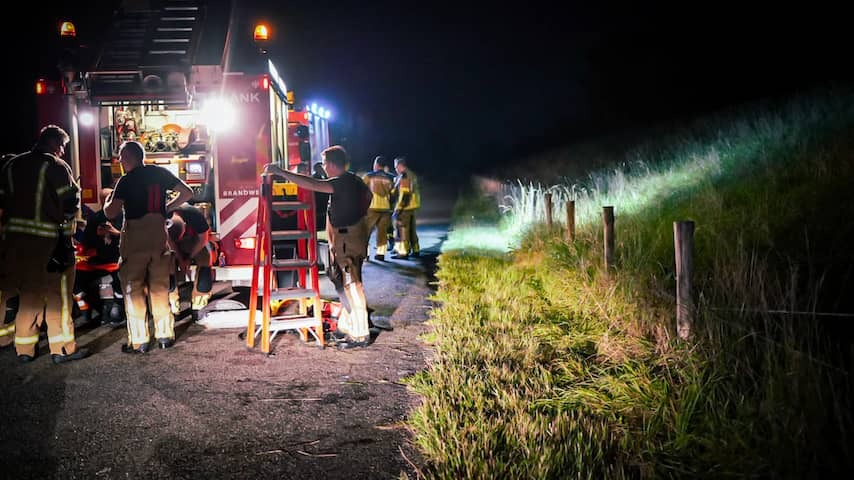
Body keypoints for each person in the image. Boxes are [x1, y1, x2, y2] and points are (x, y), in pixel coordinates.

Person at [264, 145, 373, 348]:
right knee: (344, 282)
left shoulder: (340, 183)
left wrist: (280, 173)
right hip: (350, 237)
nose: (323, 166)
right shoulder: (354, 180)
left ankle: (360, 333)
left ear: (331, 164)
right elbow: (369, 198)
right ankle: (348, 326)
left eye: (324, 163)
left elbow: (312, 184)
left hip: (347, 240)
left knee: (351, 284)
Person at [0, 125, 89, 364]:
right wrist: (69, 222)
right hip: (48, 243)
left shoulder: (11, 165)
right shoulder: (56, 166)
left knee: (28, 293)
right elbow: (70, 200)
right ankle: (62, 349)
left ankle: (25, 350)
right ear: (55, 145)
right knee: (58, 295)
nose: (62, 152)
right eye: (62, 147)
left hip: (12, 244)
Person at [104, 140, 194, 353]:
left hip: (136, 238)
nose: (120, 161)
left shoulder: (125, 181)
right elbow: (188, 192)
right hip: (158, 235)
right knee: (160, 287)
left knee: (133, 288)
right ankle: (165, 336)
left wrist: (108, 199)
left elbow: (111, 213)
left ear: (127, 158)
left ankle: (140, 341)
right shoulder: (160, 173)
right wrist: (167, 207)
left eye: (121, 157)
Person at [75, 187, 125, 328]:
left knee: (120, 282)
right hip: (100, 261)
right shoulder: (95, 218)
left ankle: (118, 309)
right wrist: (97, 235)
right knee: (77, 281)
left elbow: (134, 239)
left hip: (119, 260)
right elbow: (86, 242)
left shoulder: (125, 217)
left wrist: (116, 233)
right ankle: (87, 314)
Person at [167, 204, 213, 313]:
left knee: (205, 257)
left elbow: (203, 240)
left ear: (185, 224)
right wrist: (181, 260)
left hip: (193, 240)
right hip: (168, 244)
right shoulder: (161, 217)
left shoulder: (195, 216)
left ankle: (199, 300)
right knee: (166, 261)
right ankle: (172, 301)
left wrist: (189, 257)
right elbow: (170, 245)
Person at [361, 155, 396, 261]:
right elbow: (394, 194)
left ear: (376, 165)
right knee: (382, 233)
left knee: (365, 232)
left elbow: (361, 190)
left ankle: (365, 254)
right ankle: (380, 254)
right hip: (386, 209)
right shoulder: (391, 177)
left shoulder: (368, 176)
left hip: (371, 208)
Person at [391, 156, 421, 260]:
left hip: (405, 208)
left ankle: (403, 252)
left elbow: (405, 194)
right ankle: (416, 249)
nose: (395, 169)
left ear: (400, 166)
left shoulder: (404, 176)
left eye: (396, 167)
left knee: (403, 229)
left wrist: (398, 209)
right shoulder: (411, 174)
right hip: (413, 206)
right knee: (412, 230)